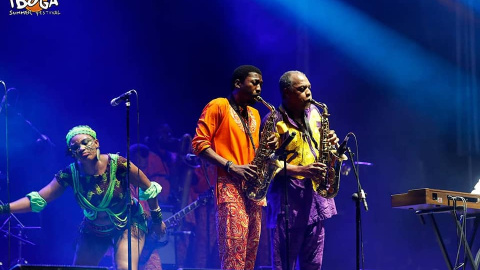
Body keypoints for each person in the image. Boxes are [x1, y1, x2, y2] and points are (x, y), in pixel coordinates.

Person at [0, 125, 166, 270]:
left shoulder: (118, 164)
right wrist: (4, 208)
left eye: (85, 142)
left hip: (128, 222)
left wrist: (158, 220)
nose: (81, 148)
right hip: (95, 228)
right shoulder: (69, 174)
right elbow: (38, 200)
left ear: (96, 143)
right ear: (72, 153)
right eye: (75, 147)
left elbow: (148, 188)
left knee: (124, 267)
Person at [192, 65, 272, 270]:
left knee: (250, 258)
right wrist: (231, 167)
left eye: (261, 84)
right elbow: (199, 144)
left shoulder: (254, 113)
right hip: (229, 186)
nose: (259, 88)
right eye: (255, 82)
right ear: (238, 83)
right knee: (233, 256)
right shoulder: (218, 105)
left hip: (254, 190)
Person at [265, 70, 339, 270]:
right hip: (288, 200)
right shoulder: (273, 120)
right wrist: (302, 169)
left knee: (313, 264)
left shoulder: (315, 113)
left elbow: (321, 148)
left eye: (309, 88)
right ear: (287, 92)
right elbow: (268, 164)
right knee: (284, 264)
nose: (309, 93)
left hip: (315, 196)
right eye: (301, 89)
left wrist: (332, 145)